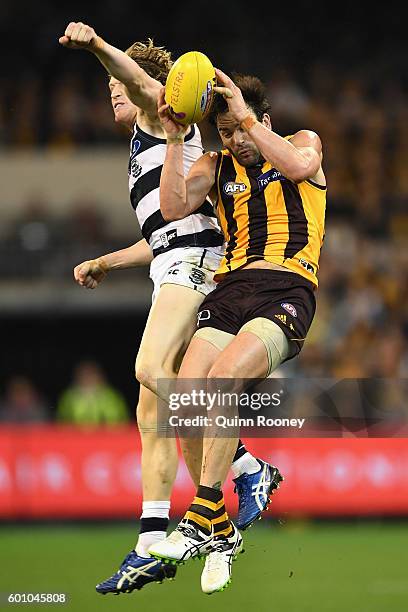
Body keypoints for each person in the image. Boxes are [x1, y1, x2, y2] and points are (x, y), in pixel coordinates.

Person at [59, 22, 282, 594]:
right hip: (173, 264)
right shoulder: (144, 149)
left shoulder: (158, 117)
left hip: (197, 267)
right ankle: (152, 540)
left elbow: (135, 80)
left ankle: (244, 467)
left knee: (148, 368)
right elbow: (162, 235)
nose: (113, 91)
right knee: (152, 413)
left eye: (120, 84)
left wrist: (98, 49)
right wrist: (106, 261)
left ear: (163, 93)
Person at [149, 70, 326, 593]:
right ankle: (223, 533)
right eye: (225, 131)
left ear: (263, 118)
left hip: (287, 291)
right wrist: (179, 137)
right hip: (230, 291)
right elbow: (173, 208)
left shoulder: (300, 142)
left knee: (224, 379)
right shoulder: (215, 163)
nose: (235, 139)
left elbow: (299, 166)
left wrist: (245, 117)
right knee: (185, 399)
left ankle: (201, 514)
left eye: (241, 128)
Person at [57, 361, 129, 426]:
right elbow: (61, 422)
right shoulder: (69, 396)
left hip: (104, 437)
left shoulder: (111, 396)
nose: (88, 378)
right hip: (76, 438)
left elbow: (120, 422)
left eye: (91, 374)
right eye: (84, 374)